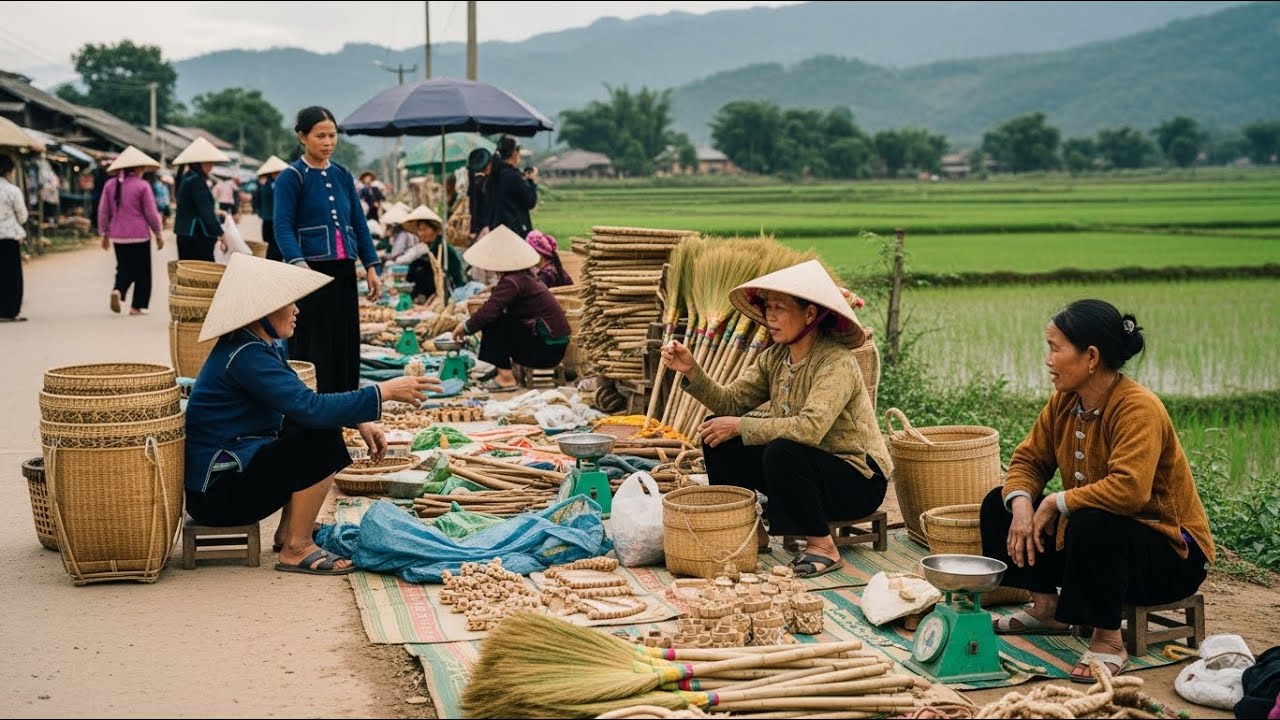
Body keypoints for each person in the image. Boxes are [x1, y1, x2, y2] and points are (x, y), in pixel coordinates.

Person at [980, 298, 1214, 682]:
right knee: (999, 504)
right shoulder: (1064, 403)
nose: (1048, 359)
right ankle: (1047, 609)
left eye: (1055, 348)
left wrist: (1058, 501)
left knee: (1092, 521)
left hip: (1171, 555)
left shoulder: (1137, 409)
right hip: (1102, 543)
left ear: (1090, 357)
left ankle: (1108, 641)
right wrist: (1023, 505)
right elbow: (1028, 461)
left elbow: (1130, 491)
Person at [184, 253, 440, 574]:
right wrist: (382, 392)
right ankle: (296, 547)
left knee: (307, 426)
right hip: (218, 496)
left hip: (237, 475)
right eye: (289, 303)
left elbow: (301, 400)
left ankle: (288, 532)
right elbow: (311, 410)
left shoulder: (261, 346)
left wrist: (359, 419)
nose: (297, 310)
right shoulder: (246, 356)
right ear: (263, 310)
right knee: (320, 436)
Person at [660, 260, 892, 579]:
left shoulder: (836, 362)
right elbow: (731, 401)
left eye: (780, 307)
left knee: (781, 450)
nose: (771, 315)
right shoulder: (775, 359)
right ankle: (749, 531)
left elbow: (810, 428)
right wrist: (691, 370)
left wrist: (742, 426)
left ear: (810, 315)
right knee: (718, 435)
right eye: (768, 306)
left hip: (857, 480)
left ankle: (823, 546)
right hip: (808, 468)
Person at [274, 105, 382, 394]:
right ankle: (313, 402)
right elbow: (282, 226)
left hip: (343, 268)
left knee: (344, 337)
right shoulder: (292, 177)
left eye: (332, 136)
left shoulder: (343, 175)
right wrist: (298, 262)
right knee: (314, 339)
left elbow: (359, 223)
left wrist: (371, 266)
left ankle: (345, 400)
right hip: (309, 271)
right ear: (302, 137)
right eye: (320, 136)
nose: (328, 143)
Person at [453, 225, 570, 392]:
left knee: (494, 321)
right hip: (551, 346)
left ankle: (506, 378)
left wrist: (465, 328)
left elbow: (489, 311)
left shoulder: (512, 281)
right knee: (500, 319)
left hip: (547, 349)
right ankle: (503, 371)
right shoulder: (522, 277)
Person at [97, 146, 164, 316]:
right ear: (137, 168)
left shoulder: (109, 185)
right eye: (142, 168)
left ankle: (118, 290)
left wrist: (104, 233)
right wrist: (158, 233)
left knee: (124, 267)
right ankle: (136, 306)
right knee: (142, 271)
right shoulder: (142, 185)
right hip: (139, 234)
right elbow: (151, 213)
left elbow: (103, 211)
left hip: (118, 235)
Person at [172, 137, 229, 261]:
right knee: (201, 274)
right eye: (209, 163)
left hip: (184, 234)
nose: (211, 167)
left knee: (187, 275)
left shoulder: (186, 178)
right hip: (196, 236)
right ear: (198, 163)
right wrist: (220, 233)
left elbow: (195, 207)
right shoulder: (197, 181)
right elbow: (206, 212)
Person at [483, 136, 537, 237]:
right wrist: (531, 181)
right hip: (513, 230)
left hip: (495, 229)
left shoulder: (492, 176)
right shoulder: (513, 176)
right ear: (515, 153)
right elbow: (530, 201)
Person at [0, 154, 29, 322]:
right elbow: (23, 216)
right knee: (12, 276)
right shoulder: (13, 190)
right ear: (9, 171)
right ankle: (9, 311)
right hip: (9, 238)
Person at [253, 155, 288, 261]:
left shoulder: (285, 185)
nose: (278, 175)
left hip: (280, 219)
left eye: (279, 172)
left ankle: (277, 262)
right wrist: (259, 212)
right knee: (268, 242)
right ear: (271, 173)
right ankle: (270, 262)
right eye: (276, 172)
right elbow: (256, 199)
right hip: (267, 219)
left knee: (279, 243)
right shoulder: (263, 185)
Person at [467, 148, 492, 242]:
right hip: (484, 225)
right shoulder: (482, 182)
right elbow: (474, 206)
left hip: (481, 225)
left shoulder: (476, 181)